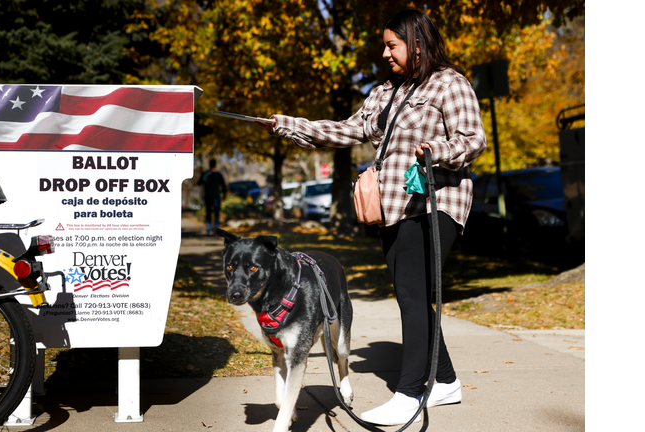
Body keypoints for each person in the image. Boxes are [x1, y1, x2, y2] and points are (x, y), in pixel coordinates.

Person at [261, 9, 486, 426]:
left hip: (438, 202)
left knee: (414, 293)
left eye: (392, 45)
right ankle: (446, 381)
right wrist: (292, 126)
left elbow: (473, 139)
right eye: (384, 46)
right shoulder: (385, 93)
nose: (384, 53)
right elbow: (347, 130)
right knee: (411, 293)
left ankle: (410, 392)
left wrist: (437, 151)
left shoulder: (449, 83)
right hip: (394, 207)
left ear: (417, 43)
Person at [197, 158, 227, 235]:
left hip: (208, 196)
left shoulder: (206, 174)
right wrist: (224, 196)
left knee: (209, 213)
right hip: (216, 196)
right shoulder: (218, 174)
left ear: (209, 164)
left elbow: (199, 183)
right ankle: (216, 230)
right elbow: (223, 186)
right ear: (215, 165)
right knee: (216, 213)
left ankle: (209, 229)